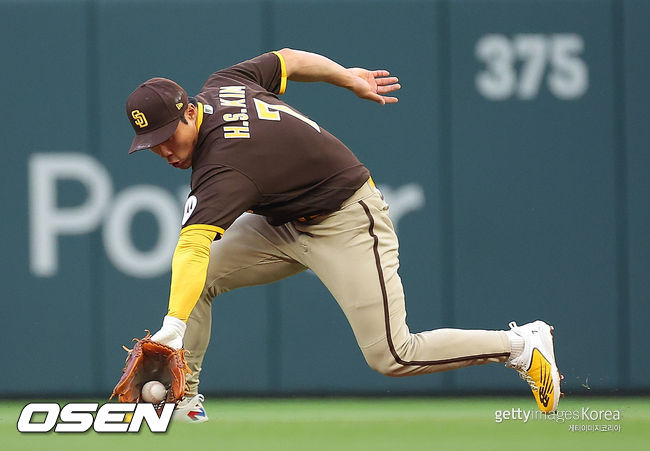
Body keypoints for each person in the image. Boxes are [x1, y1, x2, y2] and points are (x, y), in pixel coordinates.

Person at [125, 49, 561, 422]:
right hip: (284, 222)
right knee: (199, 280)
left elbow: (192, 244)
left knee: (394, 354)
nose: (163, 150)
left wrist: (173, 326)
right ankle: (183, 401)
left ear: (188, 111)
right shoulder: (223, 84)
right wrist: (345, 77)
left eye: (167, 135)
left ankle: (520, 345)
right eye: (152, 142)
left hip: (346, 218)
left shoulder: (222, 165)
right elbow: (289, 60)